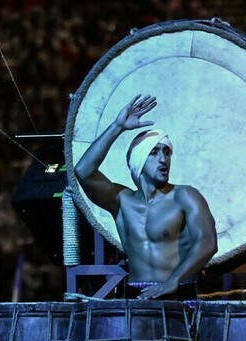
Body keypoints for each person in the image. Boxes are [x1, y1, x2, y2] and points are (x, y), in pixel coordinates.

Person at [74, 94, 217, 300]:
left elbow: (208, 242)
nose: (163, 159)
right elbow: (83, 172)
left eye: (167, 152)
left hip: (178, 292)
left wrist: (173, 280)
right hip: (136, 294)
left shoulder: (184, 196)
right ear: (138, 160)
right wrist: (117, 126)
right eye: (154, 152)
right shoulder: (122, 200)